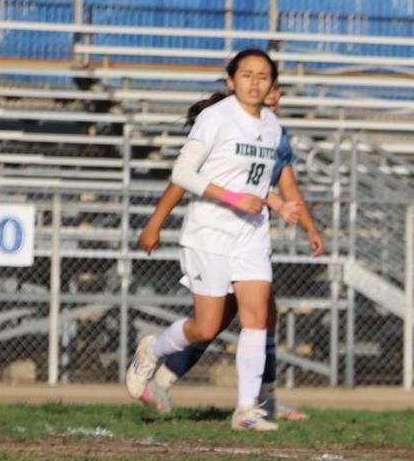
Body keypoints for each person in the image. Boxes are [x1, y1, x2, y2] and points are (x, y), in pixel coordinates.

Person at [122, 48, 297, 432]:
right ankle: (152, 349)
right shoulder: (215, 117)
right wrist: (231, 199)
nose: (255, 83)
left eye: (263, 76)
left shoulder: (272, 127)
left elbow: (254, 184)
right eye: (247, 75)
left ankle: (246, 410)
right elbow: (182, 173)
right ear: (231, 80)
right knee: (206, 326)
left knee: (257, 317)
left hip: (250, 235)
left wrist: (280, 205)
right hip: (209, 234)